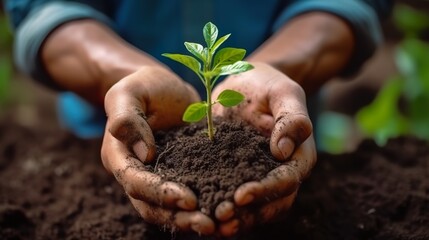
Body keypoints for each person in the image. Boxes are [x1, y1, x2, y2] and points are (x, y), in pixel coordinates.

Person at [4, 0, 392, 237]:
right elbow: (44, 7)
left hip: (271, 131)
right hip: (95, 154)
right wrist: (122, 77)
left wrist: (274, 67)